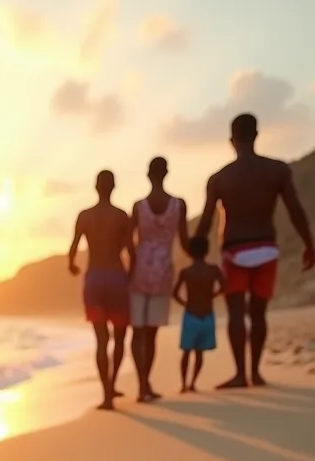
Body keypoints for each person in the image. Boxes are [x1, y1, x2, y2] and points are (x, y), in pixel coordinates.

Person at [195, 112, 315, 388]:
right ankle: (256, 373)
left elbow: (205, 221)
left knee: (237, 313)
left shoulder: (219, 178)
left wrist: (195, 252)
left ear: (231, 141)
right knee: (258, 313)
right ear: (257, 135)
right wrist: (309, 243)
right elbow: (295, 209)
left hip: (234, 250)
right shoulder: (278, 170)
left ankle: (239, 374)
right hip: (266, 248)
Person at [68, 169, 133, 410]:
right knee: (119, 336)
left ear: (96, 187)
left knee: (101, 340)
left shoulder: (84, 216)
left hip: (94, 278)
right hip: (116, 277)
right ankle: (112, 384)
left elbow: (73, 250)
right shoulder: (121, 216)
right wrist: (131, 276)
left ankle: (106, 394)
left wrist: (72, 266)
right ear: (113, 187)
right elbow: (131, 251)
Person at [130, 156, 190, 402]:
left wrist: (129, 263)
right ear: (166, 174)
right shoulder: (179, 205)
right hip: (163, 270)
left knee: (137, 331)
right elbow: (185, 242)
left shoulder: (138, 206)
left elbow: (128, 240)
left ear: (148, 175)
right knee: (151, 333)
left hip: (139, 270)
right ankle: (147, 383)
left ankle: (141, 384)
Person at [173, 236, 224, 393]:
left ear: (190, 252)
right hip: (207, 314)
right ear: (207, 250)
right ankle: (193, 383)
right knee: (199, 353)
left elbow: (174, 293)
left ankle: (183, 384)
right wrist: (213, 295)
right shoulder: (213, 270)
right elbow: (225, 286)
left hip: (191, 314)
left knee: (186, 352)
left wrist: (185, 303)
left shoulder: (186, 272)